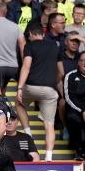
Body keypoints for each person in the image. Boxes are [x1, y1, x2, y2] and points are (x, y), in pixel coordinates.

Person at [17, 23, 61, 161]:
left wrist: (19, 87)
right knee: (49, 125)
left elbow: (26, 67)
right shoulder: (55, 46)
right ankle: (49, 157)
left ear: (30, 34)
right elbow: (61, 71)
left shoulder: (29, 46)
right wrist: (53, 81)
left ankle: (28, 133)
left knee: (18, 104)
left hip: (31, 86)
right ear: (43, 34)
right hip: (50, 89)